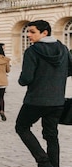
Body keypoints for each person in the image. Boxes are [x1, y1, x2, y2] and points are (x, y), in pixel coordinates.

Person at [16, 20, 72, 167]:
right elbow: (70, 70)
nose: (28, 35)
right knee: (52, 136)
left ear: (45, 32)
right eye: (28, 31)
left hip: (36, 100)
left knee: (21, 127)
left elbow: (26, 78)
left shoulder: (32, 51)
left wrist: (22, 80)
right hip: (57, 101)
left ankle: (43, 161)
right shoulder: (64, 49)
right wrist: (55, 78)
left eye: (32, 32)